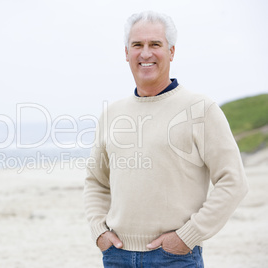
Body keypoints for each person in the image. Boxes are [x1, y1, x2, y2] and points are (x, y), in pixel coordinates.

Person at [83, 10, 248, 268]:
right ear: (126, 53)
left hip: (175, 258)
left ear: (171, 52)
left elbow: (233, 181)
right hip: (117, 256)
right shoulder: (111, 114)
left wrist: (188, 236)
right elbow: (96, 181)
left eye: (155, 44)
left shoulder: (201, 109)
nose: (145, 53)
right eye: (137, 45)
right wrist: (99, 231)